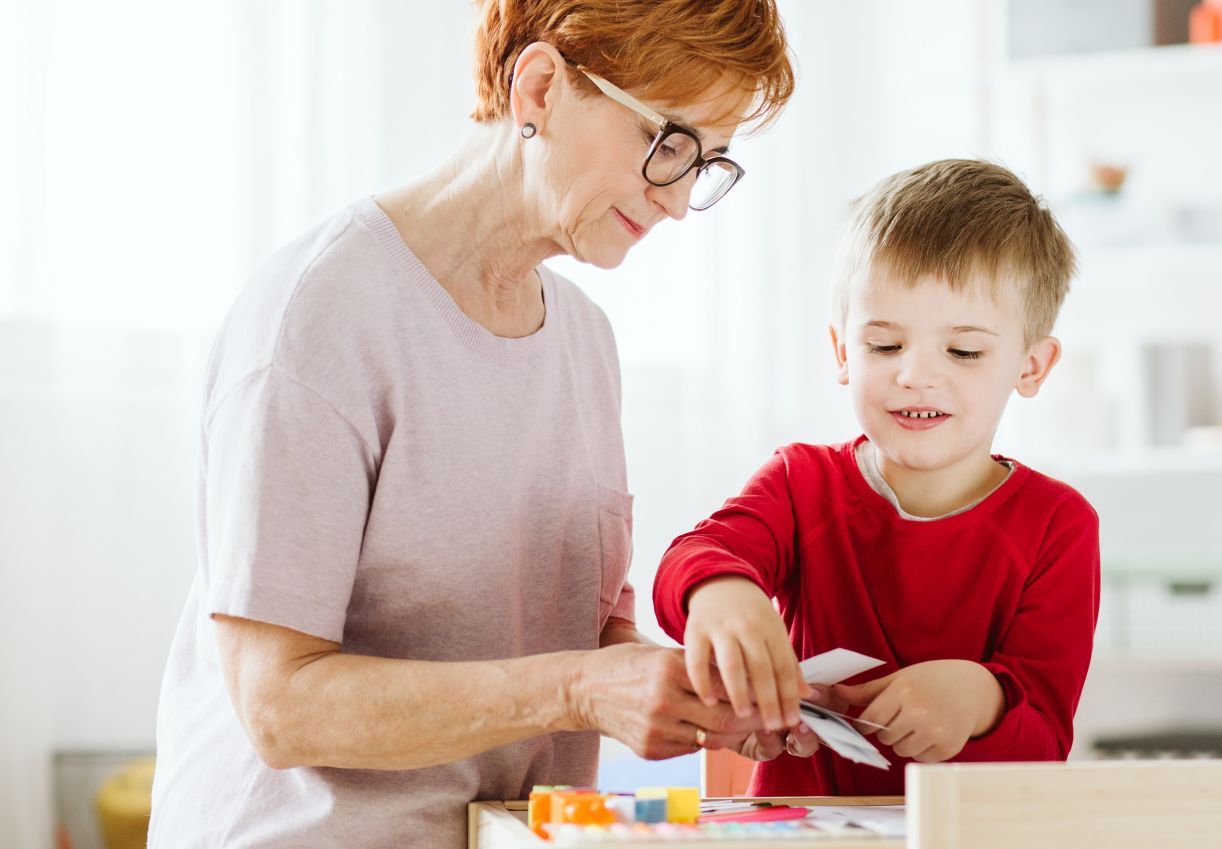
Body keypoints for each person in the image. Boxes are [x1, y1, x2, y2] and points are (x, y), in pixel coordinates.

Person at [147, 1, 794, 846]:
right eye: (667, 143)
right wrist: (578, 688)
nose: (676, 202)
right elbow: (278, 706)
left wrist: (695, 692)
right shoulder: (321, 314)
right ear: (538, 87)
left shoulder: (584, 342)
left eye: (705, 163)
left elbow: (574, 630)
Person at [653, 159, 1100, 795]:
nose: (915, 375)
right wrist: (721, 591)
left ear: (1031, 366)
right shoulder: (800, 483)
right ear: (842, 351)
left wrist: (980, 700)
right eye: (884, 346)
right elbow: (693, 556)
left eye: (964, 351)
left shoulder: (1058, 525)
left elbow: (1044, 747)